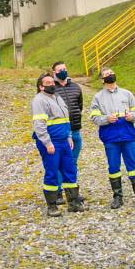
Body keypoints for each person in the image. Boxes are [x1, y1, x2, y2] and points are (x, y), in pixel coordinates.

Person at [88, 66, 135, 208]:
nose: (110, 75)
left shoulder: (127, 94)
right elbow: (94, 117)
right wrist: (107, 119)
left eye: (111, 73)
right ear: (102, 80)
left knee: (134, 166)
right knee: (114, 167)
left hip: (128, 136)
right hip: (110, 138)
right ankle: (118, 197)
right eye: (106, 74)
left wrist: (132, 116)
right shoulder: (97, 97)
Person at [31, 73, 86, 216]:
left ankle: (73, 203)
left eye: (52, 81)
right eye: (47, 82)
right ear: (41, 86)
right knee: (52, 172)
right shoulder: (39, 100)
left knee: (70, 169)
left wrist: (68, 136)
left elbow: (65, 120)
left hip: (63, 140)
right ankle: (52, 206)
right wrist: (47, 143)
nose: (51, 84)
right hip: (51, 142)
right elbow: (39, 125)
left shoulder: (58, 97)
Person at [50, 61, 85, 161]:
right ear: (54, 73)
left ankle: (72, 177)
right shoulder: (51, 89)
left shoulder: (76, 87)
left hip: (75, 130)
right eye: (60, 70)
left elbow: (80, 106)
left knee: (73, 160)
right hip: (60, 131)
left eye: (64, 69)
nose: (63, 71)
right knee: (61, 162)